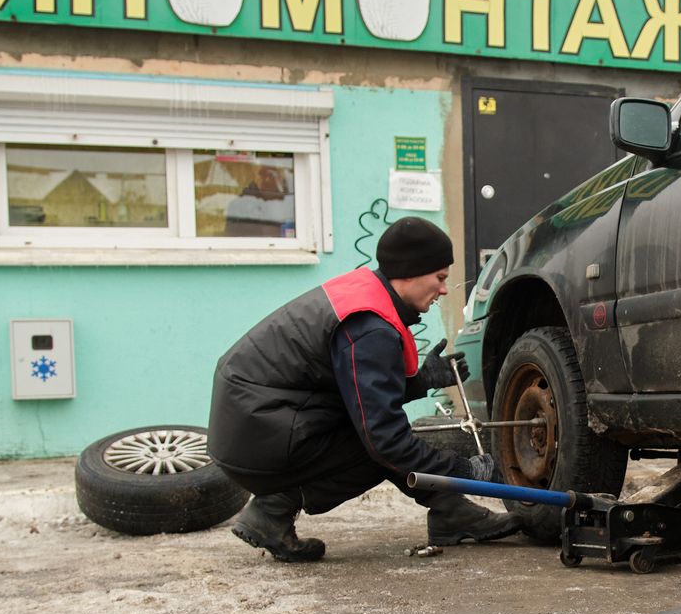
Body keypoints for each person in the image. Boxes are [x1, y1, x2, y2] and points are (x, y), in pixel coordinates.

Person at [207, 216, 519, 561]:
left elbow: (354, 390)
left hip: (256, 422)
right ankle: (272, 511)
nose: (444, 289)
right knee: (381, 448)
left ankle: (451, 512)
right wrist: (464, 472)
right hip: (259, 433)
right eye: (440, 277)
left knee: (381, 438)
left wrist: (419, 381)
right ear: (412, 271)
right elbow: (384, 438)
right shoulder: (370, 328)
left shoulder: (368, 295)